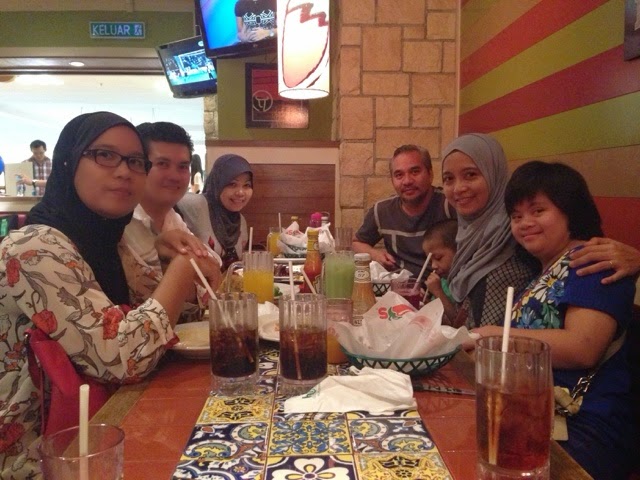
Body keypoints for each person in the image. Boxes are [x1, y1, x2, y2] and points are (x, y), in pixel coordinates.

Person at [0, 112, 220, 477]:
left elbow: (163, 323)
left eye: (135, 161)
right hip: (39, 456)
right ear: (69, 162)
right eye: (104, 155)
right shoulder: (34, 249)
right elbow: (123, 358)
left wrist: (165, 258)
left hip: (104, 429)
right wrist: (183, 268)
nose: (124, 172)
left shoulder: (108, 241)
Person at [472, 161, 638, 479]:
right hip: (530, 415)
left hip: (581, 425)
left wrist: (493, 335)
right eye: (516, 216)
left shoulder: (591, 262)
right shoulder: (545, 271)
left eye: (538, 210)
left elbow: (582, 347)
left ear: (570, 210)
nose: (525, 223)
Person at [122, 121, 221, 317]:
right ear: (138, 166)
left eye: (183, 166)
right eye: (162, 164)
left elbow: (212, 269)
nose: (175, 176)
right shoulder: (120, 222)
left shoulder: (172, 218)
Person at [441, 134, 539, 328]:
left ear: (494, 174)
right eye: (448, 179)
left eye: (470, 175)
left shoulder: (519, 235)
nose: (458, 188)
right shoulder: (469, 235)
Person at [354, 144, 454, 278]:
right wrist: (376, 255)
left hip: (443, 288)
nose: (407, 181)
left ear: (430, 174)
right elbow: (357, 243)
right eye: (399, 175)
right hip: (399, 287)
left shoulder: (450, 205)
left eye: (415, 172)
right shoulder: (382, 210)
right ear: (392, 180)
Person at [201, 153, 254, 269]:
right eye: (232, 184)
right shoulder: (198, 205)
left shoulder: (240, 221)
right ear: (218, 183)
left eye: (246, 185)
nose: (241, 192)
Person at [422, 219, 462, 324]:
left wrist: (438, 292)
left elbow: (458, 322)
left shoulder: (462, 282)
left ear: (459, 251)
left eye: (438, 258)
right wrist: (424, 303)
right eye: (430, 261)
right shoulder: (443, 280)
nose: (433, 266)